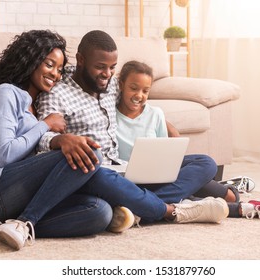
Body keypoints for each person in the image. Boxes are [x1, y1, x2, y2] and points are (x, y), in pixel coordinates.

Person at [0, 30, 128, 251]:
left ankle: (2, 226)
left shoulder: (40, 103)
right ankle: (27, 221)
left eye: (59, 69)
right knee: (88, 152)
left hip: (28, 193)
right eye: (49, 64)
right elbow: (4, 155)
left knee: (100, 212)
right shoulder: (7, 93)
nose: (55, 73)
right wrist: (45, 125)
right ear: (31, 60)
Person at [36, 30, 230, 225]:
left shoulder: (110, 84)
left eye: (112, 67)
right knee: (100, 175)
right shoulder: (57, 93)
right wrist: (59, 139)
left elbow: (135, 100)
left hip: (123, 167)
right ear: (80, 60)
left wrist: (165, 124)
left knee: (205, 163)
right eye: (100, 67)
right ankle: (169, 209)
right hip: (95, 172)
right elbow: (41, 138)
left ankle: (135, 207)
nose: (107, 74)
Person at [115, 60, 260, 220]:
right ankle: (242, 207)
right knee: (200, 194)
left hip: (159, 178)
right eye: (133, 88)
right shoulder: (108, 116)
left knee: (206, 163)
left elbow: (165, 154)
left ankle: (140, 207)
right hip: (129, 181)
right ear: (121, 84)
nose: (139, 95)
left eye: (145, 90)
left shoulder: (155, 114)